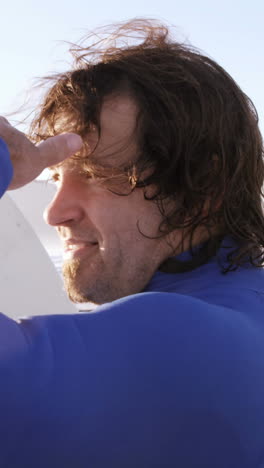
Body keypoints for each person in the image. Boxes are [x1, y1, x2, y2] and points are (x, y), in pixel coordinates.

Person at [0, 19, 264, 468]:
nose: (53, 212)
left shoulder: (180, 342)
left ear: (202, 183)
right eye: (56, 176)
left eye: (97, 174)